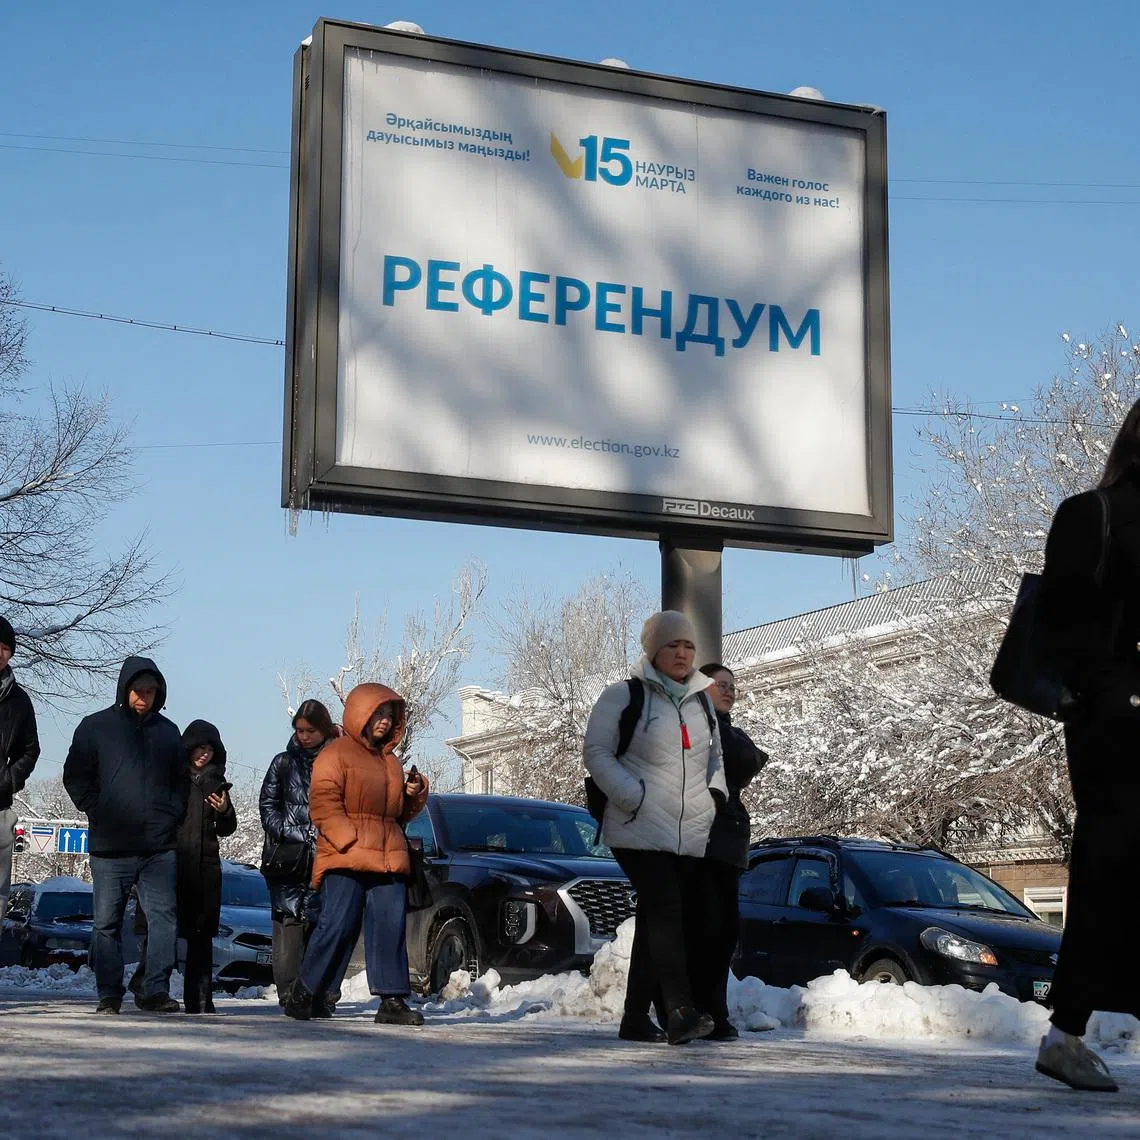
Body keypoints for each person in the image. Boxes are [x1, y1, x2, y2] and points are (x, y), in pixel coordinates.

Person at [1033, 399, 1140, 1093]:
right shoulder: (1094, 513)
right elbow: (1061, 623)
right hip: (1117, 720)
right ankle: (1065, 1031)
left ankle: (1067, 1030)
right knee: (1108, 864)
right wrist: (1110, 687)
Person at [583, 610, 727, 1046]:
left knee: (655, 916)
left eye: (689, 646)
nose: (682, 654)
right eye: (672, 645)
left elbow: (715, 757)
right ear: (653, 651)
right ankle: (679, 1010)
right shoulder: (623, 695)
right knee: (665, 907)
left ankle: (634, 1018)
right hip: (636, 824)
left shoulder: (702, 701)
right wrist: (632, 795)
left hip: (688, 829)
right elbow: (596, 751)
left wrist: (714, 797)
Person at [284, 683, 429, 1025]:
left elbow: (396, 814)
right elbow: (323, 803)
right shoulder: (335, 754)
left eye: (389, 715)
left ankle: (392, 1000)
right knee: (337, 924)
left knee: (390, 926)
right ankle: (306, 990)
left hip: (387, 856)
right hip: (346, 855)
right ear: (360, 714)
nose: (384, 720)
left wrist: (413, 793)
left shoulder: (391, 763)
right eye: (378, 713)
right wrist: (348, 840)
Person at [63, 657, 188, 1015]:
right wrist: (97, 809)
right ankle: (109, 994)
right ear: (125, 690)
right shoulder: (95, 727)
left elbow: (181, 783)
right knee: (106, 923)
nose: (144, 697)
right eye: (138, 690)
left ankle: (154, 989)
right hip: (110, 847)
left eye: (151, 692)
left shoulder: (169, 733)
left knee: (164, 919)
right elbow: (75, 776)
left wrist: (171, 816)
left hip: (158, 847)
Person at [690, 663, 766, 1040]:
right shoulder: (696, 728)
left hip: (727, 846)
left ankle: (714, 1011)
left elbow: (748, 760)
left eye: (733, 686)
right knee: (705, 931)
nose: (729, 691)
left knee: (723, 934)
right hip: (701, 844)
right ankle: (700, 1011)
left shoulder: (727, 731)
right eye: (720, 685)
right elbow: (741, 758)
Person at [260, 699, 336, 1005]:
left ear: (324, 729)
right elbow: (267, 806)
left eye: (310, 731)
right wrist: (291, 832)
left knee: (323, 922)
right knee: (288, 923)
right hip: (288, 858)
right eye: (300, 730)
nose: (304, 736)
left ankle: (319, 992)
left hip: (327, 855)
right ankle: (289, 992)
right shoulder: (283, 763)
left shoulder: (339, 762)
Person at [0, 617, 40, 926]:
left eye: (5, 648)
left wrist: (9, 779)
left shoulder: (19, 701)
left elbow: (30, 749)